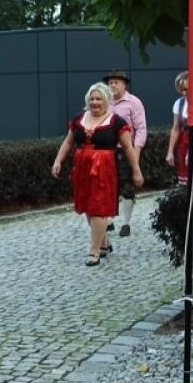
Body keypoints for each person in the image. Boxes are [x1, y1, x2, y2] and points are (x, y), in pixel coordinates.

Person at [52, 83, 144, 265]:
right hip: (82, 169)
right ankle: (103, 242)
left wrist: (136, 170)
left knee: (99, 208)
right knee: (87, 205)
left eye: (98, 98)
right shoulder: (79, 119)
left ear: (107, 100)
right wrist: (58, 161)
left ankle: (93, 251)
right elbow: (68, 142)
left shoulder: (117, 122)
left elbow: (127, 147)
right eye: (92, 99)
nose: (95, 102)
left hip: (104, 169)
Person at [102, 71, 146, 234]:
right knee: (107, 185)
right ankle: (109, 219)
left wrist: (137, 150)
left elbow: (141, 128)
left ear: (124, 84)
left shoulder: (133, 102)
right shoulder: (104, 101)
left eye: (116, 82)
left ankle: (126, 223)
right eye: (110, 82)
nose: (113, 85)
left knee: (127, 185)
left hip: (126, 149)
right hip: (106, 150)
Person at [164, 71, 193, 186]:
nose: (184, 93)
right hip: (184, 142)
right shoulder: (179, 103)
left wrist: (192, 151)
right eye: (182, 89)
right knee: (184, 178)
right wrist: (170, 151)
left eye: (187, 89)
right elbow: (175, 128)